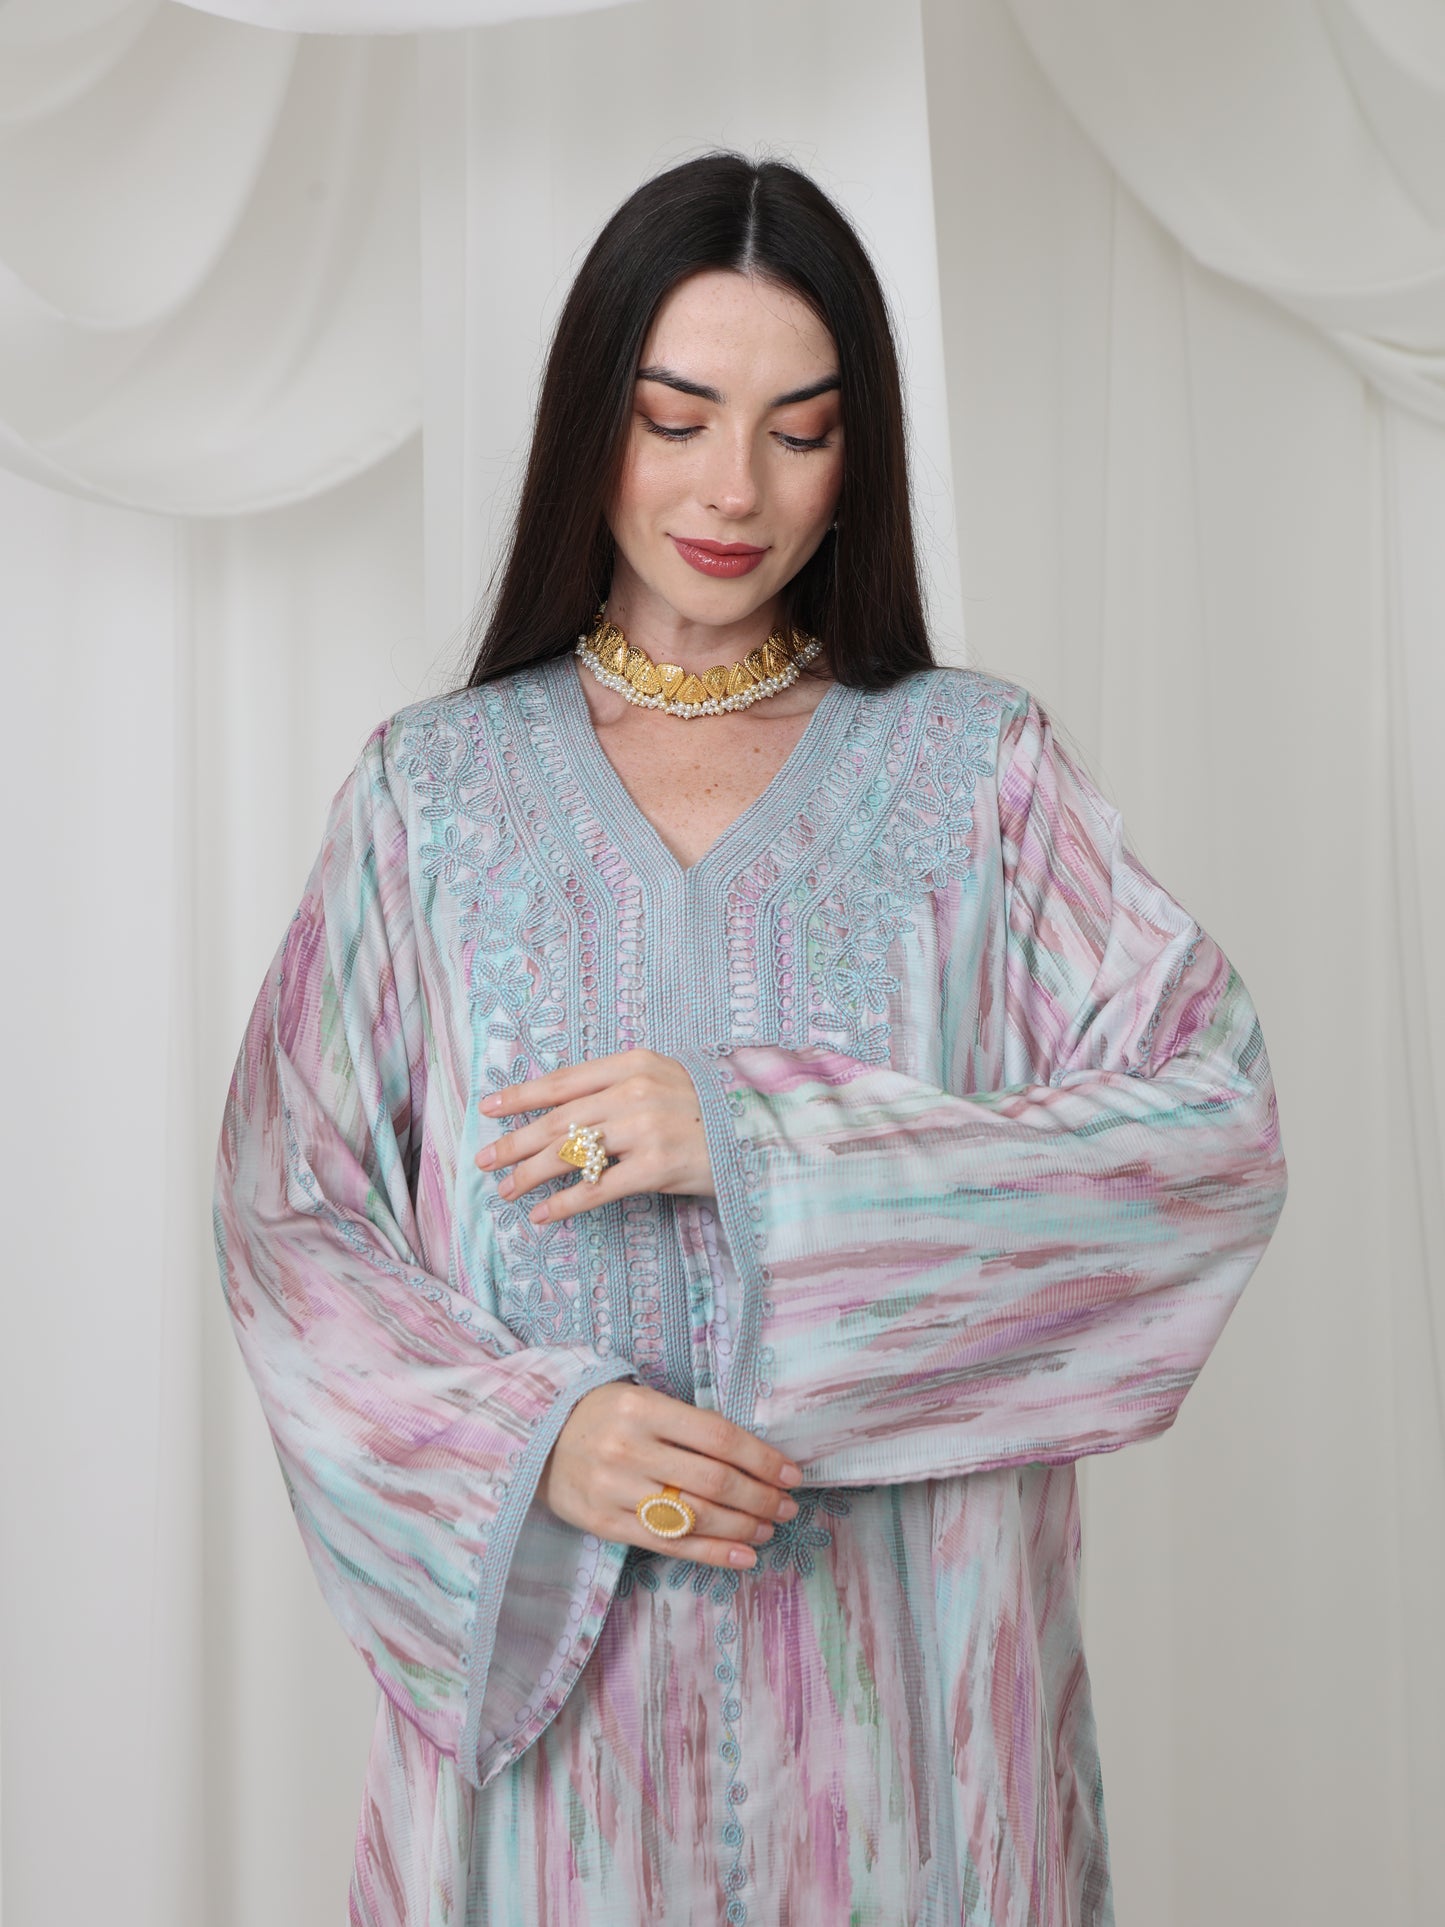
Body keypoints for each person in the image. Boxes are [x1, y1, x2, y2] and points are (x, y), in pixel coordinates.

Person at [212, 152, 1288, 1927]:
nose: (735, 488)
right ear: (592, 423)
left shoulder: (977, 775)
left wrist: (765, 1141)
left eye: (801, 431)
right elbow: (289, 1216)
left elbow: (1207, 1132)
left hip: (915, 1727)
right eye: (676, 418)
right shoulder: (432, 796)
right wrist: (532, 1439)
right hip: (565, 1763)